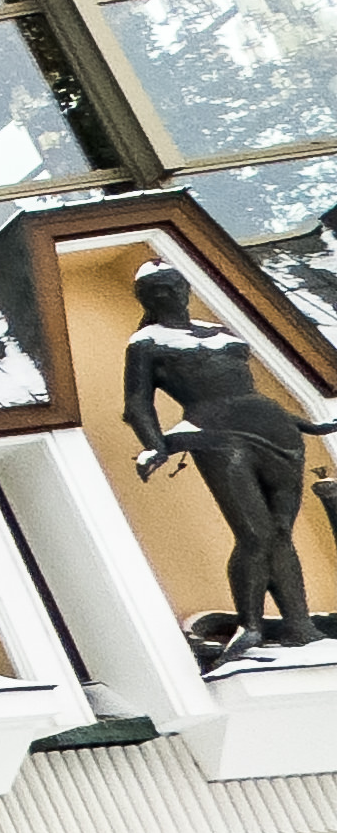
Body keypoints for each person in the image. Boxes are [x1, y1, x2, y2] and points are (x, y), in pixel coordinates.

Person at [121, 260, 335, 668]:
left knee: (280, 532)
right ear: (146, 298)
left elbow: (248, 392)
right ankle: (250, 624)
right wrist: (154, 446)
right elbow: (137, 405)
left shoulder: (219, 332)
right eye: (160, 289)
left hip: (277, 431)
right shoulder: (146, 343)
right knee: (254, 533)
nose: (172, 294)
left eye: (176, 285)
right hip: (214, 435)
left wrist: (307, 423)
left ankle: (300, 625)